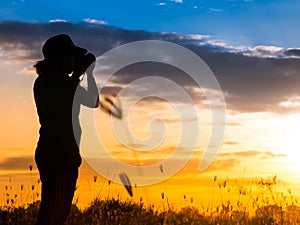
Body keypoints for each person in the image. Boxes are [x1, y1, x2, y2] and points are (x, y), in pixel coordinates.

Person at [33, 34, 99, 225]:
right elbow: (70, 95)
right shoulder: (50, 81)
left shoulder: (57, 80)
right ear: (60, 59)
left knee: (55, 213)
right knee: (53, 215)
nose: (73, 61)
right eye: (70, 57)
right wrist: (81, 73)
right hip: (58, 155)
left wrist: (89, 74)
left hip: (61, 154)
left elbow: (93, 101)